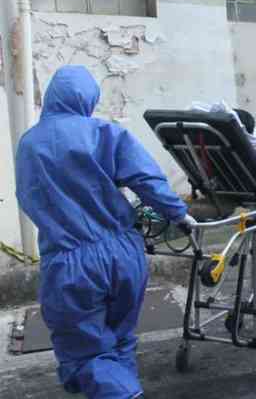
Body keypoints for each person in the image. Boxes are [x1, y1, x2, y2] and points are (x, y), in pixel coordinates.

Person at [15, 65, 193, 399]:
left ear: (52, 96)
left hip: (72, 263)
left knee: (86, 351)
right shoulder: (105, 133)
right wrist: (178, 213)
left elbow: (29, 197)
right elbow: (146, 178)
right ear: (88, 98)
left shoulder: (30, 144)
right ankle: (121, 387)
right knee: (120, 339)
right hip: (125, 254)